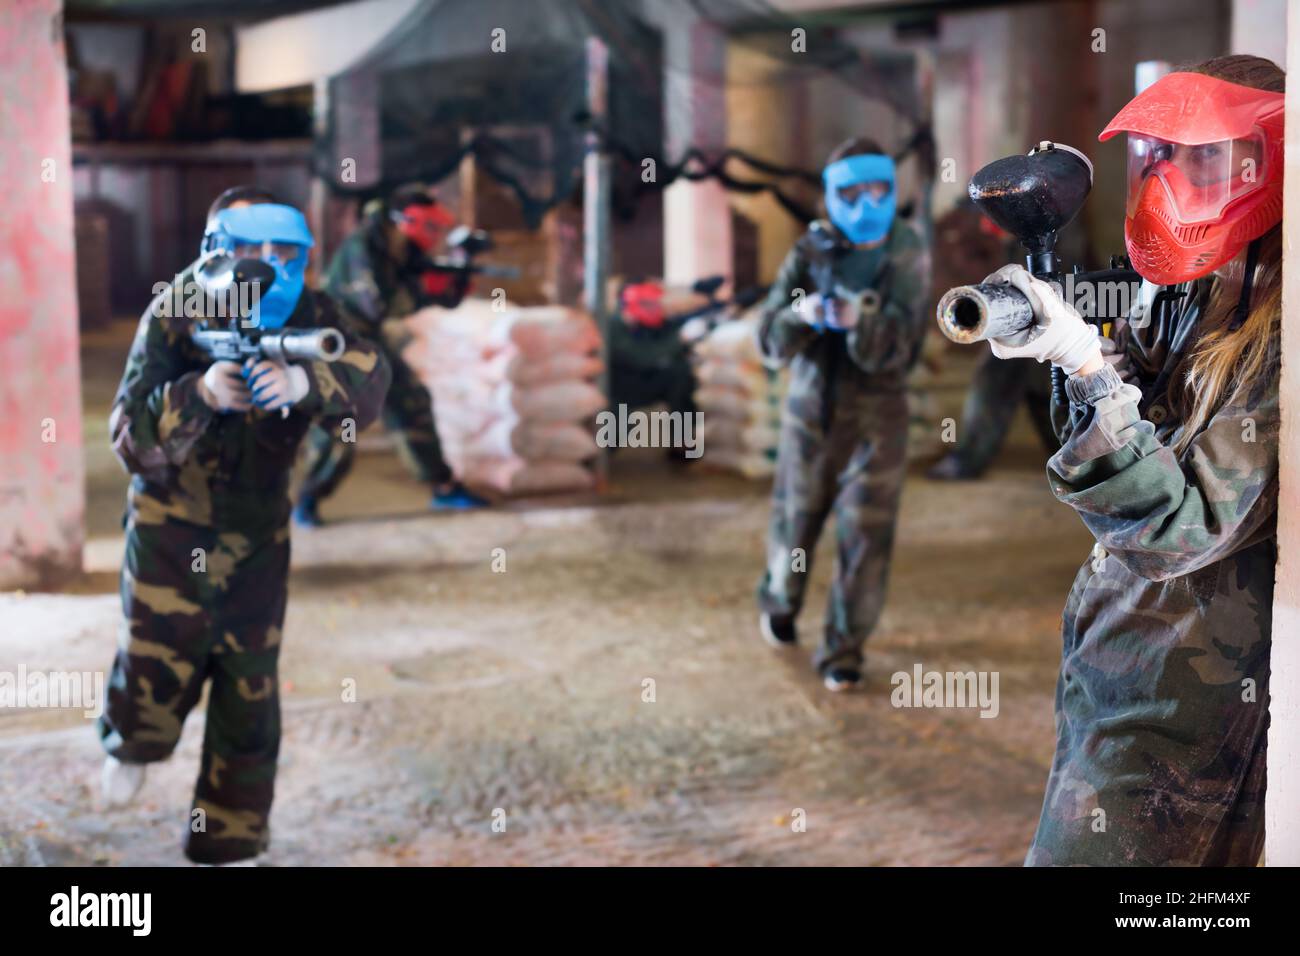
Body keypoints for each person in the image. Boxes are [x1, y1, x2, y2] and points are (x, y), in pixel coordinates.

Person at [980, 56, 1283, 865]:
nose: (1168, 179)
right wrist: (1064, 350)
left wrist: (1084, 362)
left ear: (1267, 158)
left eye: (1203, 154)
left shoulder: (1281, 330)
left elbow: (1177, 529)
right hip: (1114, 654)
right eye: (1158, 154)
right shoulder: (1189, 281)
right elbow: (1118, 418)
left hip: (1191, 694)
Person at [97, 190, 392, 864]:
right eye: (250, 251)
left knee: (250, 691)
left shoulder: (314, 315)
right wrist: (197, 396)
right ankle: (132, 746)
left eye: (285, 253)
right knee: (152, 665)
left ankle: (227, 838)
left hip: (258, 534)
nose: (268, 266)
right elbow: (127, 440)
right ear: (215, 253)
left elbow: (371, 382)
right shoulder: (175, 311)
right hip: (170, 527)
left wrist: (303, 385)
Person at [756, 137, 930, 692]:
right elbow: (767, 340)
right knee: (795, 520)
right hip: (811, 410)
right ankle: (781, 601)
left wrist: (861, 322)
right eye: (851, 193)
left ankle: (843, 650)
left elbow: (904, 347)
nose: (865, 204)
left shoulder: (908, 250)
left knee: (865, 536)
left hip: (878, 417)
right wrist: (801, 313)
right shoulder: (811, 250)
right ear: (831, 195)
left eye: (877, 190)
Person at [294, 184, 486, 525]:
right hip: (334, 341)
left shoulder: (402, 249)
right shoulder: (363, 246)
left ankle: (442, 486)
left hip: (367, 340)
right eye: (432, 228)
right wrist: (429, 287)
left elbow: (433, 296)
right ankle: (308, 499)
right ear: (410, 222)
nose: (435, 236)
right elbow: (383, 301)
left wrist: (458, 277)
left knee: (412, 403)